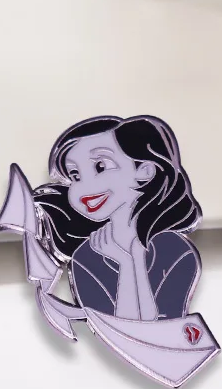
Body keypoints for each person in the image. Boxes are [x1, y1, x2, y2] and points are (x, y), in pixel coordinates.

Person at [32, 115, 202, 321]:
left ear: (145, 171)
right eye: (75, 175)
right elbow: (112, 328)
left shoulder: (175, 250)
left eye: (100, 167)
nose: (84, 186)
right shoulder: (84, 258)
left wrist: (130, 261)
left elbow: (157, 328)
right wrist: (127, 262)